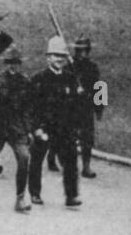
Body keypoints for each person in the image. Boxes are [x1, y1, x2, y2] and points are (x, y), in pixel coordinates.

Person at [29, 36, 83, 208]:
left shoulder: (71, 78)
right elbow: (32, 107)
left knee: (71, 162)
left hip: (64, 128)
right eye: (55, 55)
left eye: (62, 56)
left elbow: (75, 105)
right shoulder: (39, 78)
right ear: (48, 58)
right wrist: (36, 128)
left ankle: (71, 195)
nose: (59, 59)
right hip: (44, 127)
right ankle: (35, 193)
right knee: (37, 160)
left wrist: (77, 128)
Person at [0, 45, 34, 211]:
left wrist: (28, 129)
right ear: (4, 63)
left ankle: (20, 198)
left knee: (24, 158)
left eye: (16, 63)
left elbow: (27, 108)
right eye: (9, 62)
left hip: (16, 127)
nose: (13, 66)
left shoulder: (25, 82)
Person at [71, 37, 103, 177]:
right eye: (79, 51)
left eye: (84, 51)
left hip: (86, 107)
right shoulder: (69, 66)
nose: (82, 54)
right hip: (71, 106)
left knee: (87, 138)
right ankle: (55, 158)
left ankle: (86, 167)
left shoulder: (92, 67)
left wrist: (99, 107)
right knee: (68, 136)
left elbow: (99, 87)